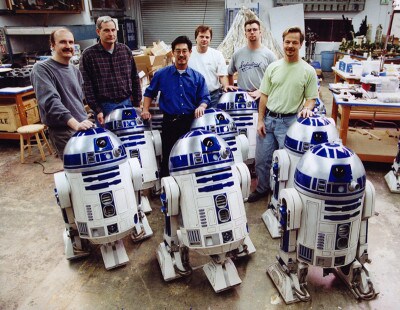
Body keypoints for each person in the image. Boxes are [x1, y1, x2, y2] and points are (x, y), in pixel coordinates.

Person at [247, 26, 318, 203]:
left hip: (289, 122)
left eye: (295, 42)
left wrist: (308, 108)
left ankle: (284, 194)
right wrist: (260, 120)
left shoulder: (308, 71)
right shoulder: (273, 67)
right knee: (262, 160)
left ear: (301, 44)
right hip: (269, 120)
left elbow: (311, 99)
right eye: (287, 42)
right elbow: (264, 95)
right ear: (283, 43)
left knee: (287, 162)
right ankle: (262, 189)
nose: (290, 45)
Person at [141, 36, 210, 177]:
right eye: (178, 51)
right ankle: (167, 188)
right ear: (173, 53)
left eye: (184, 51)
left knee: (190, 155)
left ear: (190, 52)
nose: (181, 54)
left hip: (190, 123)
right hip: (169, 123)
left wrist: (202, 106)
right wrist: (145, 110)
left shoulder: (198, 77)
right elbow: (149, 93)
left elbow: (205, 97)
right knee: (168, 155)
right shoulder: (161, 75)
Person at [30, 28, 93, 158]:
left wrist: (89, 115)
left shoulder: (75, 71)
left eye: (71, 42)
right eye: (63, 42)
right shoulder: (42, 69)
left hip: (83, 127)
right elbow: (50, 102)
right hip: (64, 132)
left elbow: (79, 100)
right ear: (52, 45)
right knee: (76, 172)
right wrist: (76, 124)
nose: (68, 46)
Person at [79, 16, 142, 127]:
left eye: (113, 30)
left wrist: (137, 103)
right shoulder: (89, 55)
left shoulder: (125, 50)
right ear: (98, 32)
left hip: (127, 103)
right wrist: (97, 109)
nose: (111, 34)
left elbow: (134, 77)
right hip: (105, 106)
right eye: (106, 30)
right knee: (110, 139)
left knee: (129, 138)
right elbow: (87, 86)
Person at [227, 19, 276, 101]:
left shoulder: (269, 55)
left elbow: (276, 79)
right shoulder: (237, 54)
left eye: (255, 29)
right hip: (242, 99)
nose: (252, 32)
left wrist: (262, 91)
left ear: (260, 32)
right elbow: (229, 73)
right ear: (245, 34)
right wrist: (233, 91)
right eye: (249, 30)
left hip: (262, 97)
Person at [188, 25, 233, 107]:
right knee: (194, 119)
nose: (204, 39)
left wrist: (226, 86)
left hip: (213, 97)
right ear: (196, 38)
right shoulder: (188, 54)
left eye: (207, 37)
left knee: (212, 119)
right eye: (201, 36)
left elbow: (222, 76)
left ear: (210, 39)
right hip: (192, 96)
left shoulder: (217, 55)